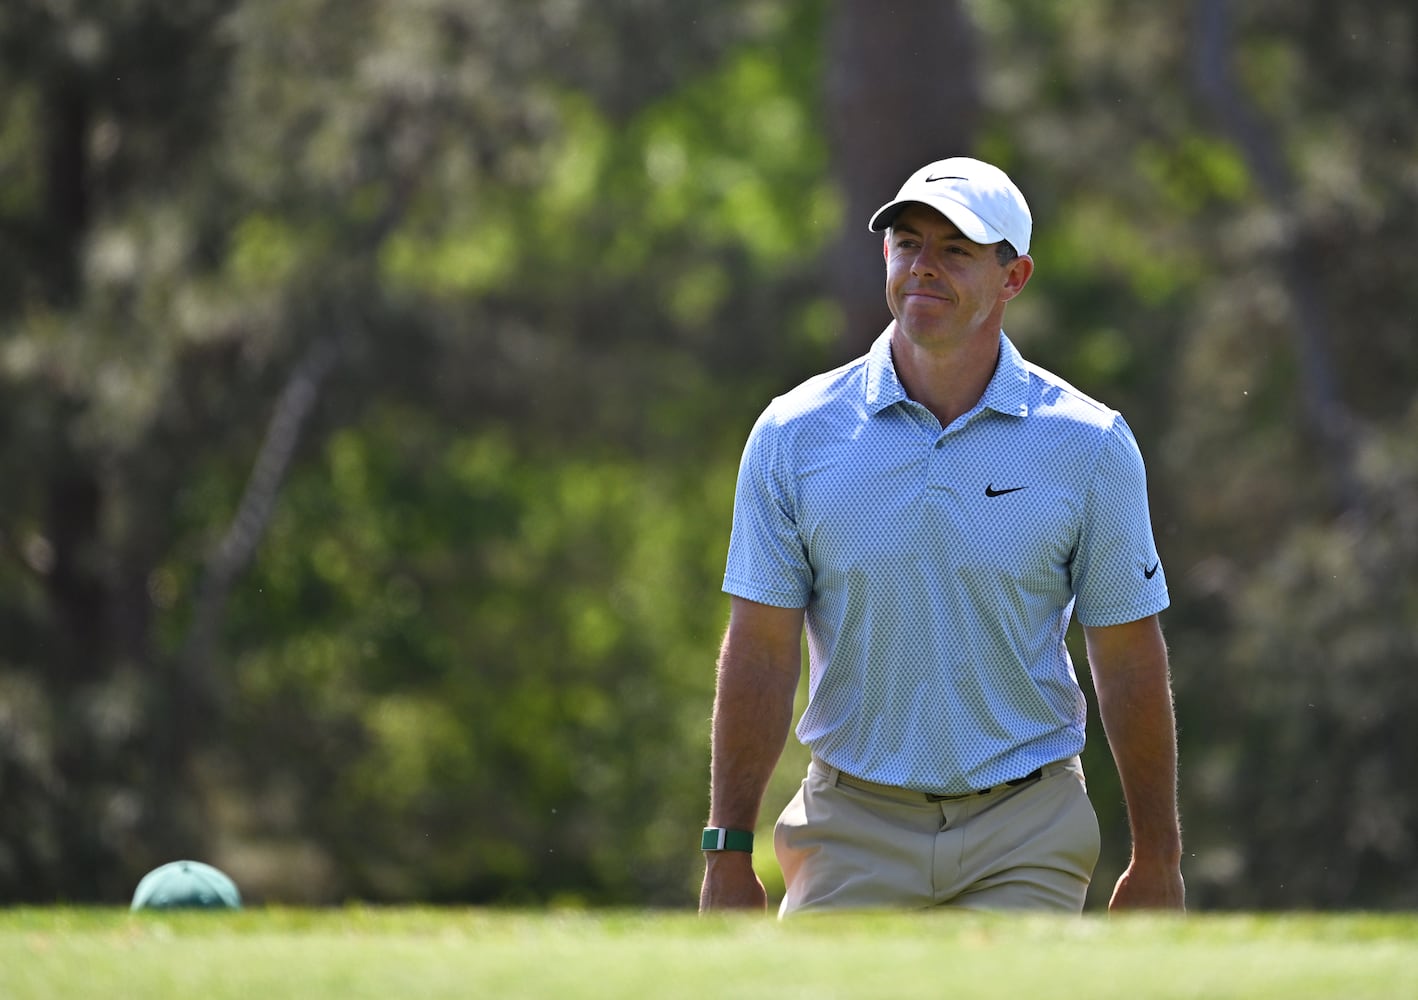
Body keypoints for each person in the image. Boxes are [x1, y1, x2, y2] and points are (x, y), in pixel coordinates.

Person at [698, 157, 1184, 916]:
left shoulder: (1088, 444)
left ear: (1014, 277)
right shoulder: (794, 433)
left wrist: (1157, 857)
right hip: (849, 825)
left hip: (1026, 827)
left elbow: (1126, 657)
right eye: (907, 243)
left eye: (955, 250)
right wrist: (727, 850)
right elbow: (760, 649)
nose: (923, 266)